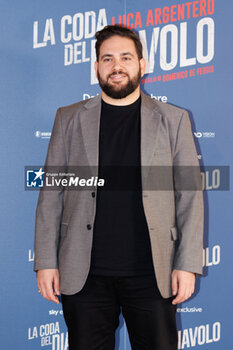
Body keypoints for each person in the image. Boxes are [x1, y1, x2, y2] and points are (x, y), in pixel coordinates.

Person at [34, 25, 204, 350]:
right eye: (107, 58)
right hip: (84, 275)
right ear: (96, 67)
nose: (116, 66)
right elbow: (51, 194)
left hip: (153, 273)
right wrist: (45, 260)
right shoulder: (68, 119)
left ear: (143, 64)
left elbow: (190, 198)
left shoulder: (174, 120)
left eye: (126, 57)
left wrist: (186, 263)